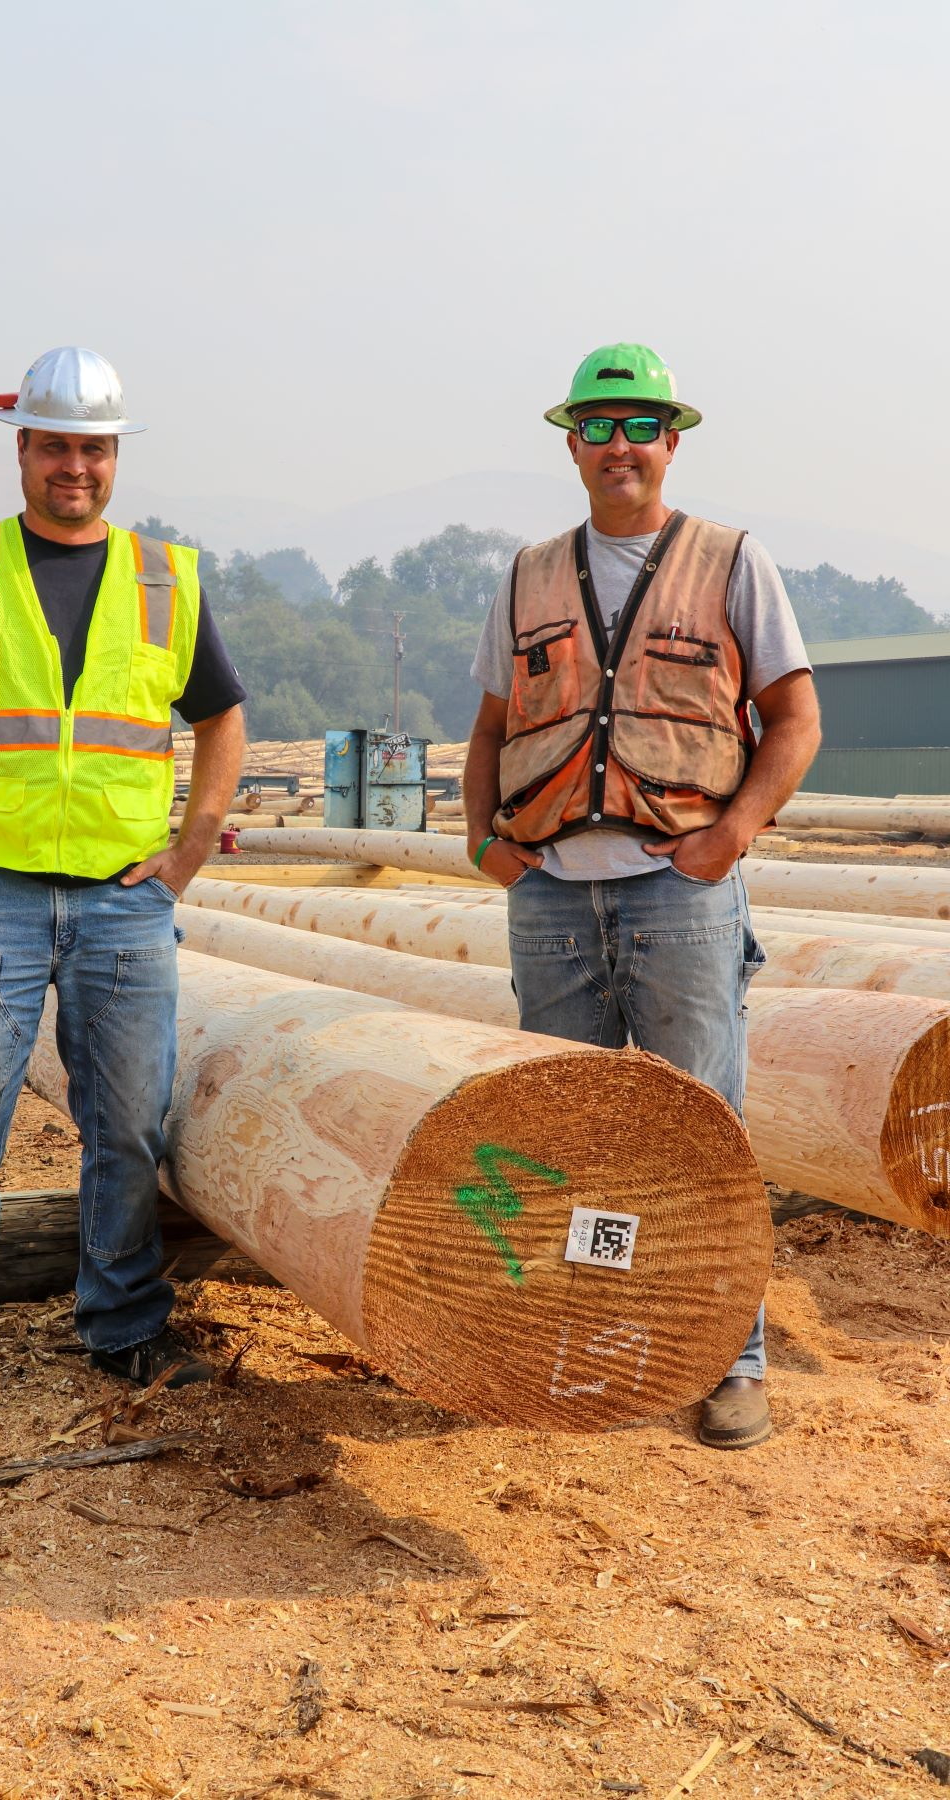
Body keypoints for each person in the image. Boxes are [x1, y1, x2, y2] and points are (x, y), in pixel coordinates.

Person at [0, 346, 246, 1437]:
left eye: (92, 447)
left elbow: (220, 717)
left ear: (114, 457)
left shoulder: (167, 578)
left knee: (126, 1129)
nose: (74, 466)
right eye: (55, 446)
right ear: (21, 449)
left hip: (125, 903)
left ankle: (122, 1326)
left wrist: (188, 852)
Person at [464, 342, 821, 1451]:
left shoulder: (728, 561)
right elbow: (489, 731)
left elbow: (795, 719)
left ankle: (731, 1361)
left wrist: (730, 837)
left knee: (701, 1129)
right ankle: (595, 1337)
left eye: (639, 427)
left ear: (671, 442)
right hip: (555, 899)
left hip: (679, 892)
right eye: (597, 427)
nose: (618, 447)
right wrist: (485, 844)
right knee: (574, 1136)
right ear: (573, 444)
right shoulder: (526, 574)